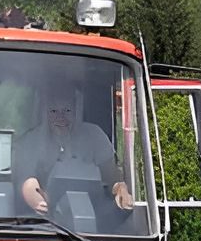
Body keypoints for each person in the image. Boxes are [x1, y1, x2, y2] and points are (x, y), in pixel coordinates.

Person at [16, 86, 134, 214]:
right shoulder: (31, 140)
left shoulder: (94, 135)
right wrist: (38, 201)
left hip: (97, 219)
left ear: (76, 111)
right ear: (45, 112)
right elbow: (27, 180)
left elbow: (111, 173)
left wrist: (121, 188)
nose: (61, 117)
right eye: (54, 111)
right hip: (45, 221)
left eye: (67, 110)